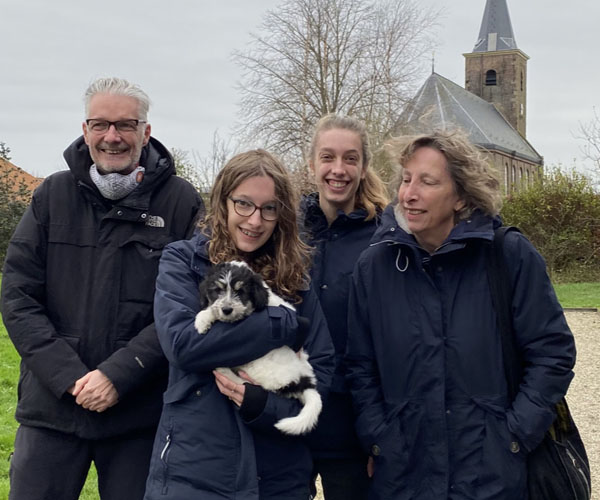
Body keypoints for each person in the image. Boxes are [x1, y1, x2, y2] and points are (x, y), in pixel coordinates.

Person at [0, 77, 203, 500]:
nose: (113, 136)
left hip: (139, 415)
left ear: (146, 131)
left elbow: (189, 305)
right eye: (100, 124)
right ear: (85, 129)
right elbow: (18, 295)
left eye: (126, 125)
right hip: (52, 410)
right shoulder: (52, 195)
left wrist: (119, 374)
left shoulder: (180, 203)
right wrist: (70, 378)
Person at [345, 130, 576, 499]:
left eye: (428, 182)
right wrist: (379, 437)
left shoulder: (509, 256)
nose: (409, 194)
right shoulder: (374, 267)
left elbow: (552, 354)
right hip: (404, 476)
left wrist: (514, 436)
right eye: (406, 179)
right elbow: (359, 364)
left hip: (492, 478)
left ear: (461, 196)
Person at [143, 149, 335, 500]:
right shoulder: (184, 261)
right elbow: (183, 346)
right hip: (196, 470)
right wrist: (280, 324)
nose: (255, 220)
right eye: (244, 204)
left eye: (269, 208)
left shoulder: (296, 277)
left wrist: (263, 406)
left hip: (278, 475)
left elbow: (321, 371)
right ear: (223, 202)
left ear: (282, 215)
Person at [299, 114, 388, 499]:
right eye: (327, 157)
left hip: (354, 426)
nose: (338, 169)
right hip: (290, 418)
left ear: (364, 167)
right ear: (311, 164)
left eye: (350, 159)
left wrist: (381, 436)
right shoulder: (287, 231)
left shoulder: (385, 239)